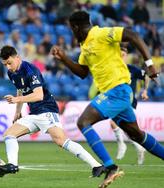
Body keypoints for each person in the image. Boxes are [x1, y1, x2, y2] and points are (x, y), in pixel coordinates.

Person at [51, 10, 163, 188]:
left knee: (83, 122)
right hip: (114, 96)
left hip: (118, 90)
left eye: (71, 30)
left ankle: (110, 166)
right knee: (136, 135)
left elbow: (132, 35)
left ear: (76, 27)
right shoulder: (85, 46)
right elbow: (82, 72)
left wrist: (149, 64)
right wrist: (64, 58)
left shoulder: (101, 33)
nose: (71, 33)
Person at [0, 45, 106, 178]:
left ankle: (96, 165)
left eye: (9, 63)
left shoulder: (30, 70)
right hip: (34, 113)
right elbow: (20, 89)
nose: (8, 67)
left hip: (47, 110)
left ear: (17, 57)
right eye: (5, 64)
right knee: (9, 134)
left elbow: (39, 95)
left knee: (61, 140)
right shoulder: (11, 73)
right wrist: (18, 111)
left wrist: (17, 99)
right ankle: (12, 165)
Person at [88, 44, 148, 164]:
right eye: (119, 54)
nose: (121, 56)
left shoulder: (131, 69)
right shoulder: (112, 69)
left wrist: (145, 90)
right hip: (116, 100)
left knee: (114, 123)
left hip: (128, 100)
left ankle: (122, 145)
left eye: (123, 55)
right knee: (128, 129)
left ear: (126, 56)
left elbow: (146, 76)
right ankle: (139, 147)